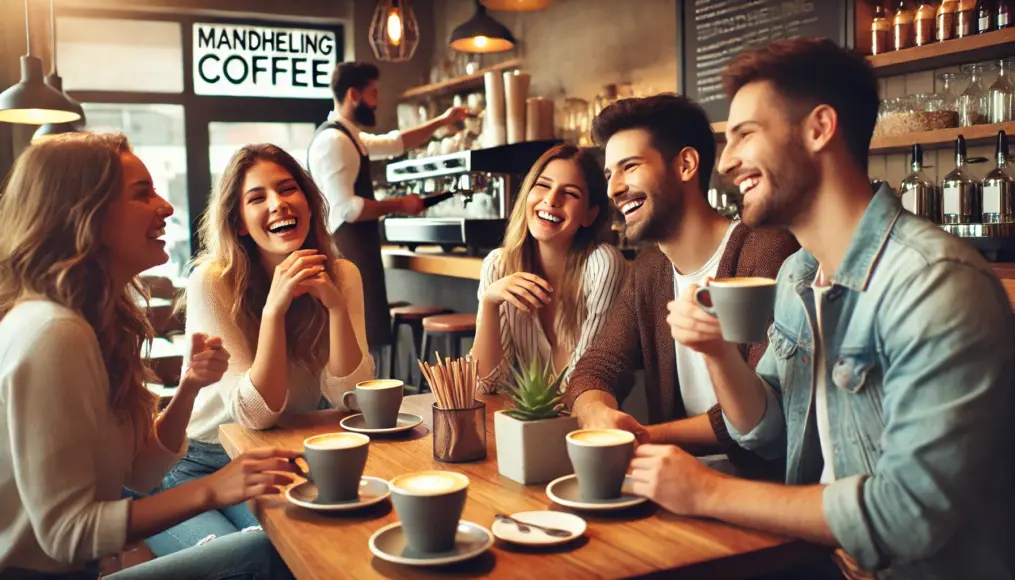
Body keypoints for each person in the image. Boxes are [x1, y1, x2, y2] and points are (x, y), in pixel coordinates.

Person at [643, 38, 1015, 578]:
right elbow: (767, 430)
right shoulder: (799, 273)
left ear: (819, 128)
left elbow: (906, 515)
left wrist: (706, 492)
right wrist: (718, 353)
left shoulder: (933, 284)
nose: (723, 162)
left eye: (745, 134)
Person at [0, 132, 295, 579]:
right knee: (271, 556)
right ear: (84, 213)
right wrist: (211, 490)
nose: (167, 207)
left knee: (268, 549)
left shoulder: (97, 324)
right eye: (142, 193)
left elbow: (138, 473)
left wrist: (191, 387)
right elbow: (66, 534)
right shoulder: (52, 332)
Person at [147, 144, 373, 556]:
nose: (278, 204)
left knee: (302, 547)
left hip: (278, 457)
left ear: (308, 201)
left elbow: (354, 398)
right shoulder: (212, 281)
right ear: (241, 225)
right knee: (244, 556)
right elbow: (253, 414)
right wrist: (274, 309)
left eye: (288, 189)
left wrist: (337, 309)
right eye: (257, 198)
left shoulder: (343, 275)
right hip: (198, 463)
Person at [562, 95, 798, 476]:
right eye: (609, 175)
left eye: (630, 167)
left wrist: (641, 437)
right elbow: (596, 366)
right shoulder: (650, 269)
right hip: (676, 481)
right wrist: (597, 414)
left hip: (758, 487)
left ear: (686, 164)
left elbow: (767, 411)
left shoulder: (765, 251)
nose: (613, 190)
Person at [307, 62, 467, 369]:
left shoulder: (350, 137)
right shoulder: (334, 142)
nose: (378, 100)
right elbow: (348, 209)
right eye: (373, 93)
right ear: (353, 95)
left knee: (367, 327)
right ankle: (359, 401)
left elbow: (397, 143)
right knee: (357, 329)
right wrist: (400, 204)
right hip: (347, 247)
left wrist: (443, 121)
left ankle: (373, 396)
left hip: (361, 246)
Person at [472, 144, 626, 392]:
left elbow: (582, 384)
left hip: (588, 426)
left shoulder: (603, 264)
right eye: (543, 185)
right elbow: (484, 384)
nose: (552, 199)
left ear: (589, 215)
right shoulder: (498, 265)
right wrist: (489, 302)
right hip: (526, 424)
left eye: (571, 193)